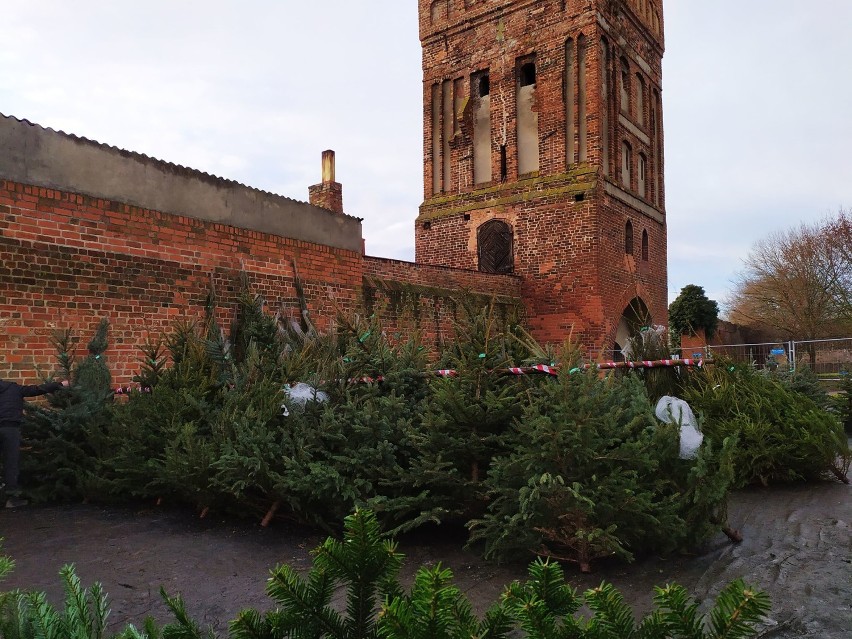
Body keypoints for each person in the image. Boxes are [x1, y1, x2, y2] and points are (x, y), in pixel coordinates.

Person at [0, 377, 69, 508]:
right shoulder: (14, 388)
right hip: (10, 429)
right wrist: (60, 384)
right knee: (11, 463)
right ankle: (12, 499)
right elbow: (38, 389)